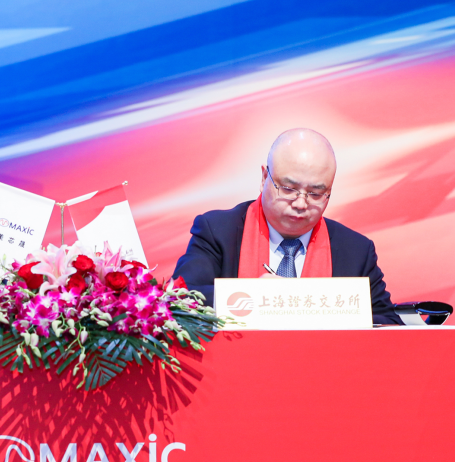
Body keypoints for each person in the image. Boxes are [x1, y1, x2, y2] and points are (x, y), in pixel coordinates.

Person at [172, 128, 401, 324]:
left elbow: (389, 326)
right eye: (289, 189)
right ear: (264, 178)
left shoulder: (356, 251)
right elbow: (180, 301)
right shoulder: (218, 231)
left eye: (316, 193)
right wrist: (255, 298)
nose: (300, 204)